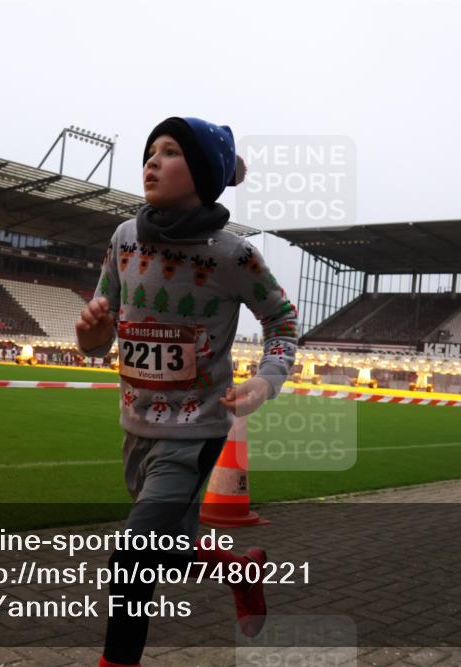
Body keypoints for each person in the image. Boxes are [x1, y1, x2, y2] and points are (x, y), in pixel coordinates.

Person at [76, 116, 297, 667]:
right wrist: (93, 337)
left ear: (201, 171)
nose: (152, 161)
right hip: (136, 427)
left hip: (195, 431)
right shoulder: (124, 239)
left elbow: (281, 321)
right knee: (165, 553)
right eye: (150, 151)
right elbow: (101, 334)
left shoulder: (232, 254)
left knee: (131, 557)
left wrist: (265, 382)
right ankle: (241, 570)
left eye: (170, 151)